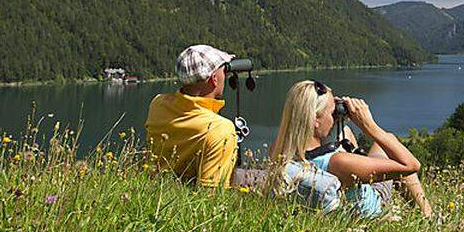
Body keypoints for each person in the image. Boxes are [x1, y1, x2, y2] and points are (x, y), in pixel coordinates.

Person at [268, 80, 433, 218]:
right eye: (333, 114)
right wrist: (369, 126)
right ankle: (428, 216)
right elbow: (411, 165)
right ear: (315, 120)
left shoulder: (279, 149)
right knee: (388, 140)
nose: (335, 117)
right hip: (374, 205)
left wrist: (335, 115)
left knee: (345, 132)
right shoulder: (340, 162)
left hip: (339, 184)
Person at [145, 44, 263, 189]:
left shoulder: (158, 104)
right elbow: (210, 196)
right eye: (223, 70)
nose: (225, 74)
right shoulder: (220, 130)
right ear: (214, 79)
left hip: (159, 189)